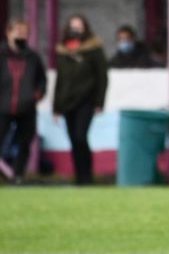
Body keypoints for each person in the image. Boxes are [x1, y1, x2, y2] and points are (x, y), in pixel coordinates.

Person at [54, 14, 108, 185]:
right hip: (67, 102)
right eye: (72, 26)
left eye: (79, 26)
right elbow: (60, 80)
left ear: (85, 28)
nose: (75, 30)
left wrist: (99, 101)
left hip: (86, 101)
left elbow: (102, 77)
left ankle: (87, 176)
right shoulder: (63, 51)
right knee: (73, 139)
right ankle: (79, 176)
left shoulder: (93, 50)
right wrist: (56, 107)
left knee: (80, 136)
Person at [0, 19, 47, 183]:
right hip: (3, 108)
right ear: (8, 33)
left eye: (24, 32)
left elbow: (42, 80)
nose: (21, 35)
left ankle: (18, 176)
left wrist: (37, 95)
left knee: (25, 143)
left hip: (26, 108)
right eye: (17, 31)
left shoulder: (32, 57)